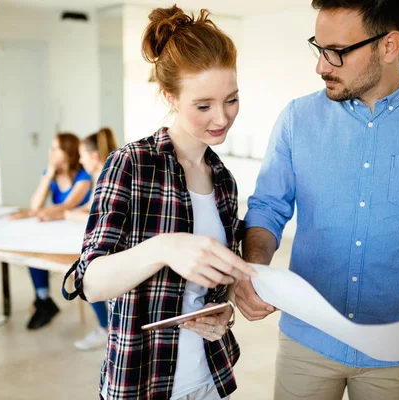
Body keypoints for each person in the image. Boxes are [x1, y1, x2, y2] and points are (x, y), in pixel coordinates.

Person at [235, 1, 399, 399]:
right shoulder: (297, 119)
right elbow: (267, 208)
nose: (321, 66)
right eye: (319, 47)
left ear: (389, 46)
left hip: (398, 351)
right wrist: (252, 268)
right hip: (308, 339)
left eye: (338, 52)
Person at [61, 5, 256, 400]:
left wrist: (222, 311)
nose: (221, 117)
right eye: (203, 106)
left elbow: (215, 285)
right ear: (170, 96)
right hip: (141, 382)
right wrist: (164, 247)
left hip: (209, 376)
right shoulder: (130, 164)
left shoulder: (224, 181)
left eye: (231, 99)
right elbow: (91, 282)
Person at [17, 133, 92, 330]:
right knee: (33, 249)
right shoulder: (50, 174)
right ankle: (43, 299)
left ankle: (43, 303)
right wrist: (48, 175)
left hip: (79, 230)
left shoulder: (83, 175)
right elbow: (35, 204)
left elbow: (68, 205)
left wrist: (36, 212)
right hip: (59, 227)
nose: (50, 152)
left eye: (56, 148)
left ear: (68, 152)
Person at [65, 127, 119, 350]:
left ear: (94, 157)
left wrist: (74, 214)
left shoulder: (107, 176)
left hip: (113, 248)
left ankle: (105, 328)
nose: (79, 159)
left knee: (83, 275)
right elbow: (91, 208)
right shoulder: (100, 175)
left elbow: (100, 215)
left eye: (82, 155)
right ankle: (105, 326)